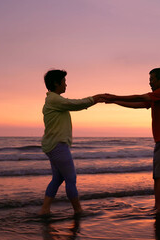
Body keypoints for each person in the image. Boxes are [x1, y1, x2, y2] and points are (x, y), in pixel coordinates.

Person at [105, 68, 160, 213]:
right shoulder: (157, 97)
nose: (150, 82)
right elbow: (137, 105)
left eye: (152, 79)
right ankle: (158, 207)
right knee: (158, 176)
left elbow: (140, 97)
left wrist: (115, 96)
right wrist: (115, 101)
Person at [39, 69, 105, 216]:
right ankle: (78, 210)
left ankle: (45, 209)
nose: (66, 85)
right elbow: (74, 104)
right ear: (56, 83)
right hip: (58, 145)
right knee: (71, 178)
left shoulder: (53, 100)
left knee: (57, 179)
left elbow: (71, 104)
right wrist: (94, 99)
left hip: (54, 145)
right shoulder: (54, 99)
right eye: (64, 82)